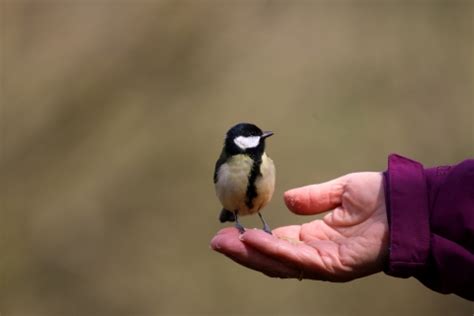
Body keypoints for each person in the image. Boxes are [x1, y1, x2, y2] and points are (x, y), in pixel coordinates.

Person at [210, 154, 474, 301]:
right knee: (236, 219)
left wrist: (407, 210)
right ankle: (237, 221)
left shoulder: (267, 162)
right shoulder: (226, 164)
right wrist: (411, 205)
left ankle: (261, 224)